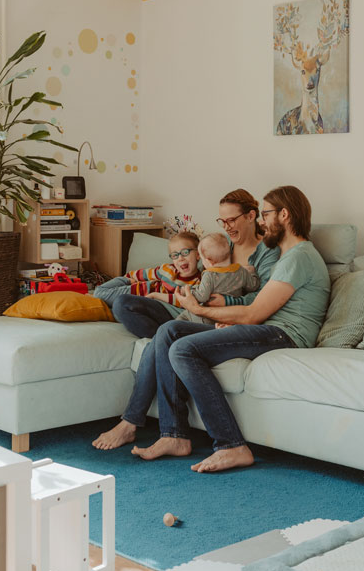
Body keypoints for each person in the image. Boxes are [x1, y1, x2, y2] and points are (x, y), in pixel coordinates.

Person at [131, 186, 329, 473]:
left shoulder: (299, 257)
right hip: (269, 328)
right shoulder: (288, 257)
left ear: (284, 215)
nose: (262, 222)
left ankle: (231, 445)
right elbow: (255, 307)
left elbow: (253, 313)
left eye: (266, 214)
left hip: (284, 335)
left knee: (184, 349)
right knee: (170, 330)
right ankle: (173, 435)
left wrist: (200, 310)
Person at [92, 189, 279, 450]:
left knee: (165, 336)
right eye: (222, 221)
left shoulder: (266, 253)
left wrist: (226, 303)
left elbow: (262, 298)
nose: (227, 227)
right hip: (195, 313)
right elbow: (196, 278)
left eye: (232, 220)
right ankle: (162, 430)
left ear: (251, 216)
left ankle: (134, 423)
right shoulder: (222, 243)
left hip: (224, 322)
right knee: (140, 316)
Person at [176, 233, 260, 325]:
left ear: (209, 261)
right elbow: (254, 286)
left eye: (202, 259)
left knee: (182, 318)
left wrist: (187, 291)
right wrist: (252, 272)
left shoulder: (210, 274)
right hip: (226, 317)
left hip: (207, 317)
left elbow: (202, 297)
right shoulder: (241, 271)